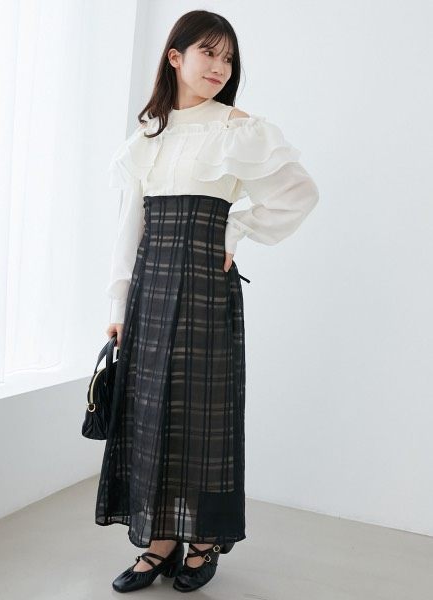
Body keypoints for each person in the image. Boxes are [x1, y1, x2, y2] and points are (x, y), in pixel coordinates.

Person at [96, 9, 318, 594]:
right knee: (150, 416)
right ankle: (160, 542)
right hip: (149, 291)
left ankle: (204, 540)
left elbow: (300, 192)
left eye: (228, 58)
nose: (220, 66)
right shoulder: (148, 136)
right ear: (175, 57)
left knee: (204, 415)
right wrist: (117, 307)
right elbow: (129, 228)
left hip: (203, 288)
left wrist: (235, 230)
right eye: (208, 53)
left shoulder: (238, 128)